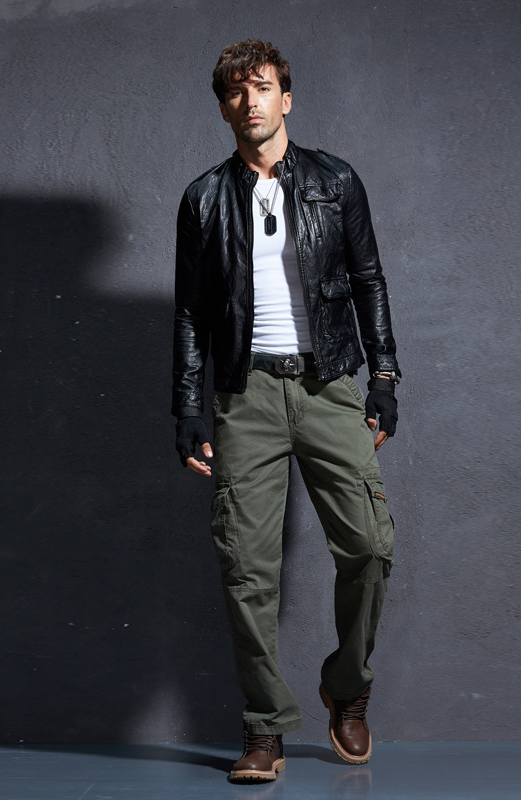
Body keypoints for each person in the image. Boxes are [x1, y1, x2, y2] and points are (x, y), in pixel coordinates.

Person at [172, 39, 401, 783]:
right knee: (247, 566)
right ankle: (263, 726)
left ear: (286, 98)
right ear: (224, 108)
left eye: (263, 87)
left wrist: (384, 377)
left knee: (369, 547)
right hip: (245, 395)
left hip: (329, 384)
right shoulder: (204, 199)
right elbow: (190, 312)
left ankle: (347, 688)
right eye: (236, 93)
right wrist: (189, 407)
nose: (251, 102)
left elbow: (368, 279)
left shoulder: (336, 181)